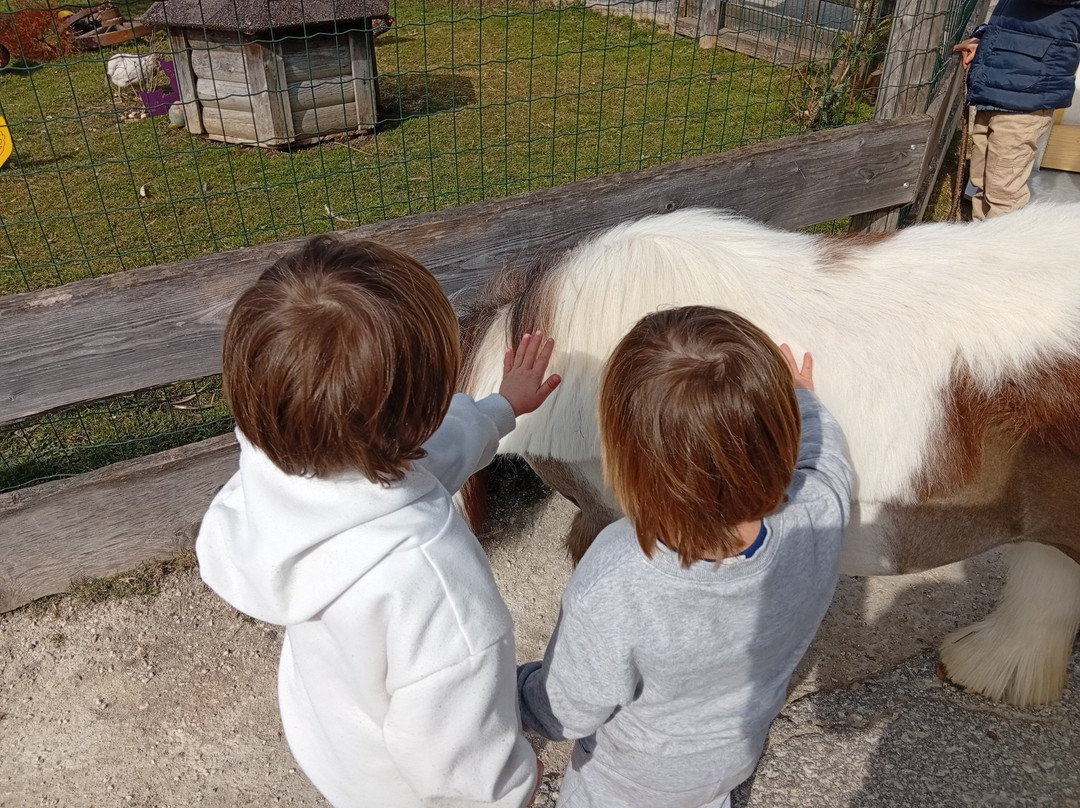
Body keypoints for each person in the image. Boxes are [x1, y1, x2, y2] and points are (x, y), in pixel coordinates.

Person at [195, 236, 560, 808]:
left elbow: (424, 460)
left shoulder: (278, 469)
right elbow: (456, 745)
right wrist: (511, 786)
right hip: (401, 791)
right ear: (421, 416)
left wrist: (500, 408)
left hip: (335, 742)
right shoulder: (432, 584)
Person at [517, 306, 854, 808]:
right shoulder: (819, 515)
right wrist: (803, 398)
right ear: (781, 434)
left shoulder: (617, 577)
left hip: (622, 787)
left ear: (625, 459)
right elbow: (828, 461)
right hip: (729, 761)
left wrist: (511, 691)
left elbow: (567, 711)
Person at [952, 0, 1080, 219]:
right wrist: (983, 40)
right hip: (1003, 82)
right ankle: (980, 237)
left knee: (1002, 193)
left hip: (1026, 93)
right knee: (982, 181)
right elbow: (1018, 21)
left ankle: (1003, 241)